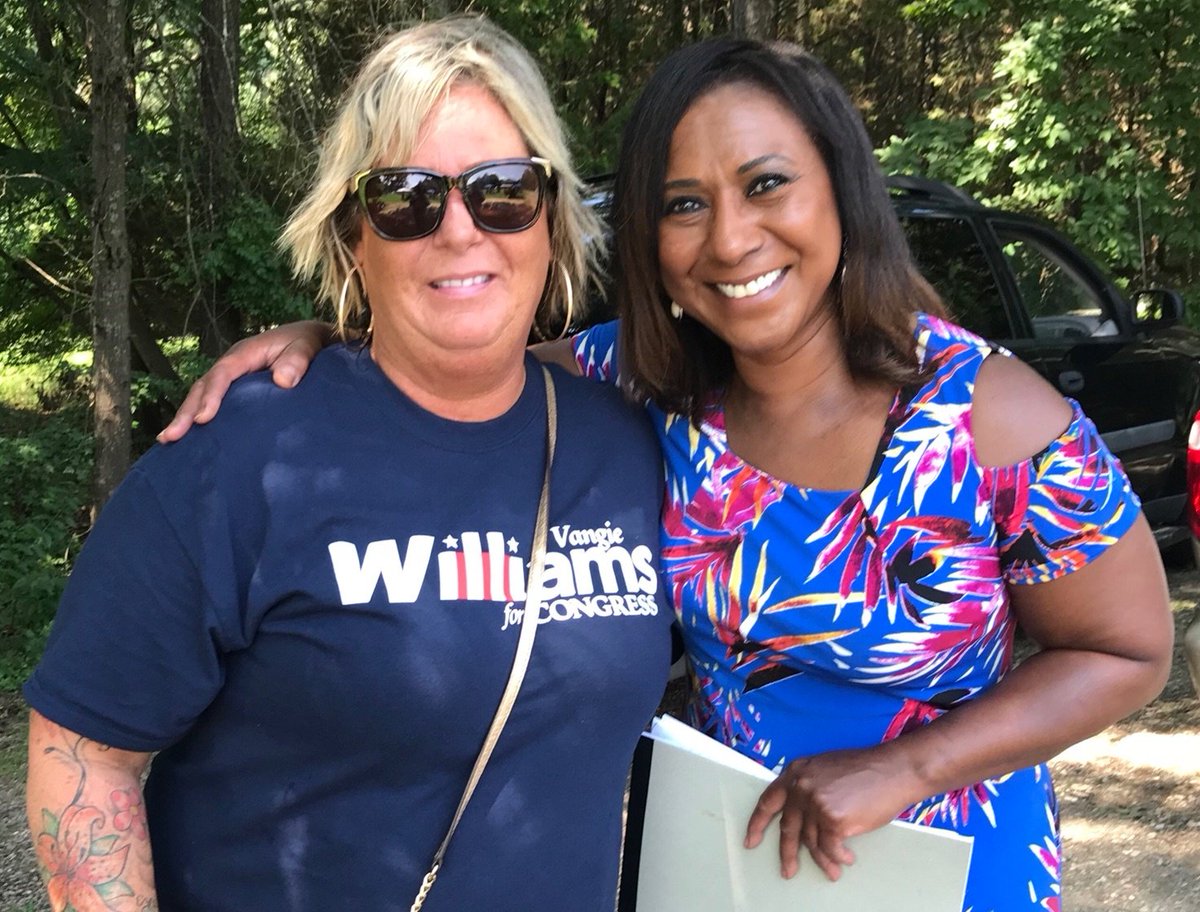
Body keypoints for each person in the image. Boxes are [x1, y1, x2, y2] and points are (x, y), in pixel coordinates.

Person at [158, 37, 1174, 912]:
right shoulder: (647, 385)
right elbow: (455, 354)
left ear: (841, 187)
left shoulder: (986, 419)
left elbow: (1129, 651)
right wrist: (325, 340)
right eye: (685, 204)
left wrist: (905, 766)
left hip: (945, 868)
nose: (729, 238)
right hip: (722, 867)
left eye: (767, 184)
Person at [25, 17, 673, 912]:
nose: (459, 230)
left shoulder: (631, 445)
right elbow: (83, 753)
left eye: (503, 191)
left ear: (552, 219)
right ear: (350, 238)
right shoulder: (240, 455)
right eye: (406, 198)